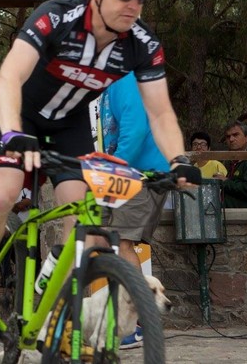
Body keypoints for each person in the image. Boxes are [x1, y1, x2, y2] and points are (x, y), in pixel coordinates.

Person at [0, 0, 200, 327]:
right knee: (4, 192)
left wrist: (179, 160)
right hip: (21, 116)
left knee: (83, 217)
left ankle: (63, 308)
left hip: (69, 125)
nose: (133, 5)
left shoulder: (143, 44)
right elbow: (8, 78)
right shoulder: (56, 17)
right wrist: (11, 134)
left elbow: (160, 112)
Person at [98, 71, 170, 348]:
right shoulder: (101, 86)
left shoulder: (123, 78)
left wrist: (111, 170)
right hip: (123, 173)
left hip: (141, 173)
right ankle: (120, 318)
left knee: (123, 242)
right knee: (107, 240)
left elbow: (136, 129)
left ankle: (138, 324)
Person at [220, 121, 247, 208]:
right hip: (230, 215)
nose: (231, 139)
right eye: (228, 136)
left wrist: (225, 182)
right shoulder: (231, 161)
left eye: (235, 135)